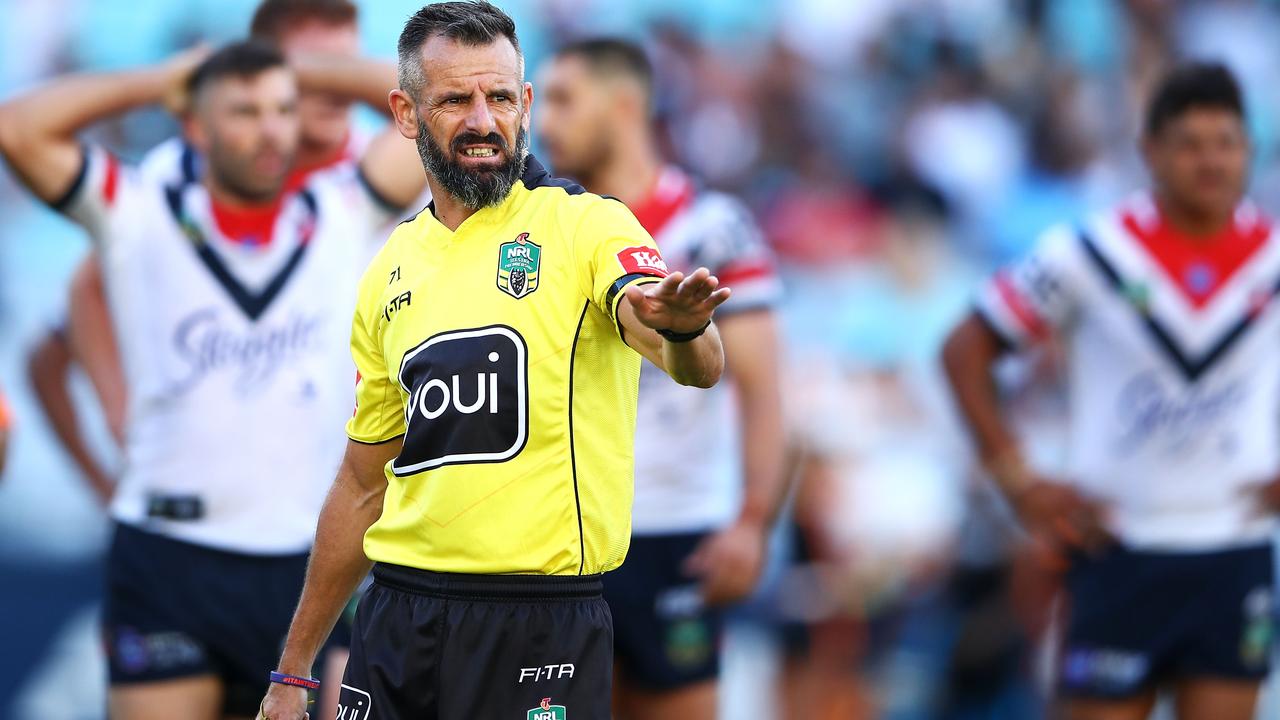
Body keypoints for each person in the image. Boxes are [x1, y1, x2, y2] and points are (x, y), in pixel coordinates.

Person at [257, 3, 730, 719]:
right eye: (455, 100)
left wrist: (688, 330)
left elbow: (683, 352)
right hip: (397, 615)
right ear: (406, 114)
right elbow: (362, 483)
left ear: (525, 105)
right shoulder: (390, 268)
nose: (483, 120)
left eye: (500, 97)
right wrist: (294, 671)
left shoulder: (586, 226)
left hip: (537, 623)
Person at [0, 39, 426, 720]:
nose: (271, 129)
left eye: (283, 109)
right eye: (244, 110)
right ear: (194, 123)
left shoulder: (341, 214)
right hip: (171, 563)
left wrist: (300, 66)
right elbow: (18, 127)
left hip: (306, 569)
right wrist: (159, 80)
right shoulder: (138, 212)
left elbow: (429, 109)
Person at [941, 62, 1279, 720]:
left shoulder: (1272, 258)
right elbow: (966, 349)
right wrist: (1018, 479)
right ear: (1149, 151)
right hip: (1119, 547)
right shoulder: (1092, 253)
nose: (1210, 162)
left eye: (1226, 143)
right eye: (1190, 144)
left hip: (1232, 548)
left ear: (1249, 150)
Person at [28, 0, 389, 507]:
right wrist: (121, 424)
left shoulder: (392, 170)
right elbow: (81, 300)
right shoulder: (186, 175)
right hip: (214, 514)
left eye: (346, 70)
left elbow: (425, 100)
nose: (333, 91)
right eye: (310, 71)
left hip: (355, 497)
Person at [535, 38, 786, 719]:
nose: (543, 123)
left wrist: (754, 522)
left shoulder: (712, 230)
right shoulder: (535, 230)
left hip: (677, 531)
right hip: (558, 538)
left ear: (624, 106)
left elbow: (764, 390)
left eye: (561, 99)